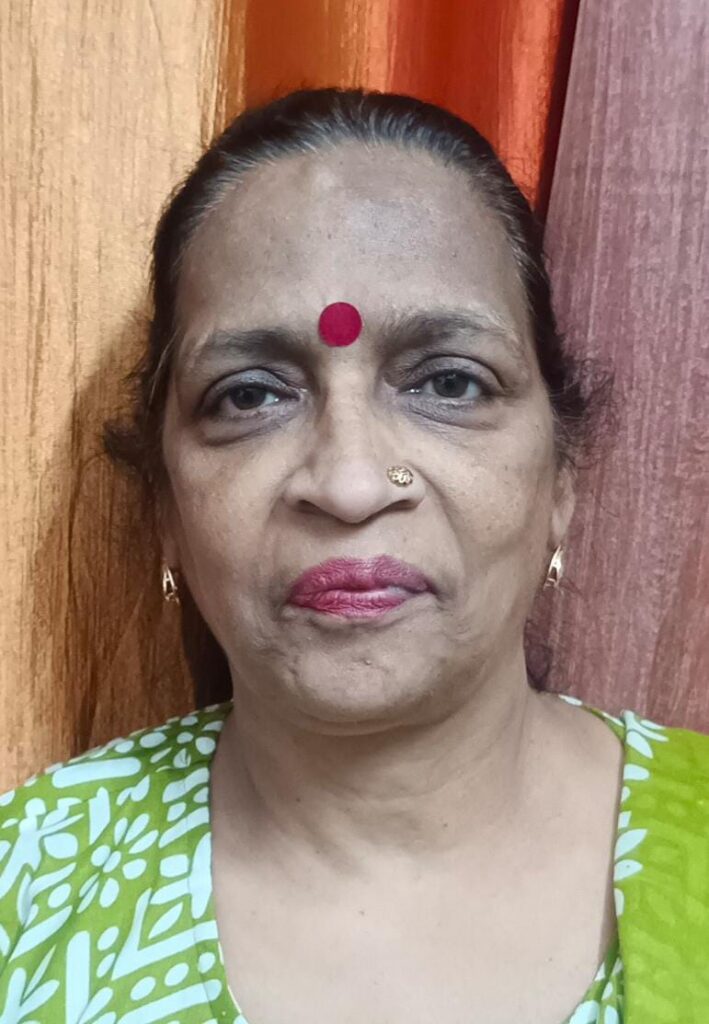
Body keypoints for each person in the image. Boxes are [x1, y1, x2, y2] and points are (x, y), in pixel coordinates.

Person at [0, 87, 707, 1024]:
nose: (349, 483)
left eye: (449, 382)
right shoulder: (27, 896)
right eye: (250, 396)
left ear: (562, 481)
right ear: (165, 505)